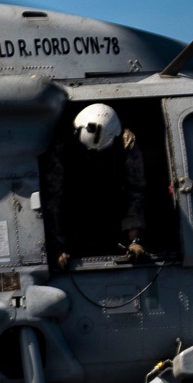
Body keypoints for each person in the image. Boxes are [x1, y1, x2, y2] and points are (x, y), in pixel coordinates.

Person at [46, 102, 150, 269]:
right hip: (76, 199)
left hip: (111, 198)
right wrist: (57, 246)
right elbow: (54, 196)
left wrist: (135, 241)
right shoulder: (62, 144)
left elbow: (135, 191)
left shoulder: (126, 142)